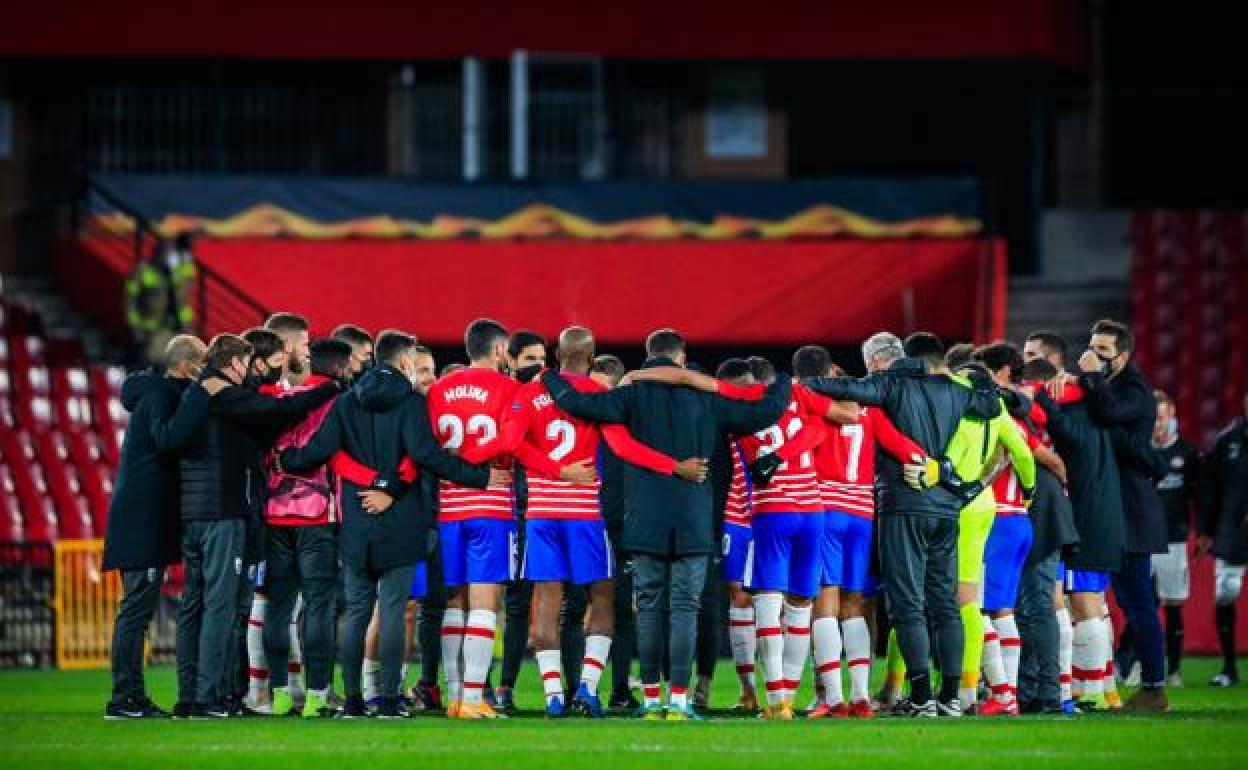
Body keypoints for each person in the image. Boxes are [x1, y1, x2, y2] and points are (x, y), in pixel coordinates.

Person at [541, 328, 792, 720]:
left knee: (651, 609)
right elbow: (764, 412)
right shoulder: (707, 399)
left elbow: (575, 403)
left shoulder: (630, 395)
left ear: (647, 356)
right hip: (694, 520)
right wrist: (785, 383)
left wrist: (547, 375)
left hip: (644, 523)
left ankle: (653, 698)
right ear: (681, 357)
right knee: (685, 609)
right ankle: (678, 699)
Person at [468, 326, 702, 718]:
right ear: (591, 357)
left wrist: (553, 470)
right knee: (604, 597)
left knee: (546, 603)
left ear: (556, 355)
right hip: (585, 516)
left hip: (542, 513)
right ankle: (589, 689)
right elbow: (625, 448)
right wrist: (674, 466)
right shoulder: (597, 395)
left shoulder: (529, 392)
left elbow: (509, 444)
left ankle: (553, 696)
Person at [280, 331, 505, 718]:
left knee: (355, 614)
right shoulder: (411, 403)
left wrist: (286, 460)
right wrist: (480, 477)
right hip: (402, 519)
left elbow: (319, 451)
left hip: (357, 521)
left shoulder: (346, 402)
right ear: (404, 363)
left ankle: (352, 700)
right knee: (393, 609)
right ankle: (387, 699)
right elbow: (425, 455)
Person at [802, 331, 1002, 717]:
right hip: (946, 508)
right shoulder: (956, 390)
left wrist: (802, 383)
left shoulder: (891, 385)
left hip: (905, 504)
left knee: (907, 603)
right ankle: (951, 697)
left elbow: (845, 388)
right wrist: (982, 380)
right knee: (945, 603)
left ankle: (923, 695)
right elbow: (993, 407)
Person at [174, 333, 339, 719]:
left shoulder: (203, 394)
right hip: (223, 510)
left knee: (195, 603)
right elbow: (270, 409)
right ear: (234, 363)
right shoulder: (223, 395)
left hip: (194, 510)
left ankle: (193, 695)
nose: (250, 372)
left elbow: (266, 418)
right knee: (221, 603)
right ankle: (209, 696)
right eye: (247, 364)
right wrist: (328, 389)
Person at [103, 335, 211, 719]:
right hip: (141, 518)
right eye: (203, 363)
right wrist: (201, 394)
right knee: (135, 611)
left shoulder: (158, 392)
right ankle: (124, 697)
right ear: (187, 364)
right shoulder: (157, 396)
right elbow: (167, 438)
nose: (207, 370)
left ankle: (129, 695)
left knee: (136, 611)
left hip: (144, 516)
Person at [1065, 319, 1169, 711]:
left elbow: (1108, 415)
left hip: (1131, 510)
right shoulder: (1112, 386)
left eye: (1103, 351)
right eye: (1092, 347)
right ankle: (1108, 681)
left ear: (1122, 356)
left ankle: (1154, 686)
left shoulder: (1136, 390)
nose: (1094, 356)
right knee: (1113, 600)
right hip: (1115, 506)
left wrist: (1090, 378)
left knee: (1138, 602)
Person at [425, 319, 524, 719]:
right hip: (490, 504)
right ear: (500, 351)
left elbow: (427, 446)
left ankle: (454, 695)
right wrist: (478, 462)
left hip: (448, 506)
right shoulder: (509, 389)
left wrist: (457, 463)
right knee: (485, 602)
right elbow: (514, 441)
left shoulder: (437, 391)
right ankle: (472, 697)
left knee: (453, 600)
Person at [261, 338, 355, 718]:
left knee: (278, 608)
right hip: (317, 515)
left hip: (274, 512)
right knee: (319, 606)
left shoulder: (276, 399)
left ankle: (280, 693)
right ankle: (316, 697)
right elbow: (333, 451)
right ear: (339, 367)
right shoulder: (339, 401)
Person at [1031, 360, 1128, 712]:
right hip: (1101, 519)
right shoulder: (1097, 416)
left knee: (1081, 603)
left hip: (1081, 520)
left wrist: (1042, 399)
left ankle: (1084, 691)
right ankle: (1102, 687)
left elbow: (1065, 440)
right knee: (1094, 606)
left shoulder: (1074, 415)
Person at [1148, 390, 1202, 687]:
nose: (1158, 425)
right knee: (1141, 604)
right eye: (1154, 419)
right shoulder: (1142, 450)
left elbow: (1199, 494)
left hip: (1174, 539)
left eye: (1163, 418)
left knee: (1172, 605)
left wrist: (1202, 530)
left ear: (1173, 418)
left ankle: (1174, 670)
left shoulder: (1188, 453)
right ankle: (1134, 666)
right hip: (1143, 539)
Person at [1200, 391, 1248, 687]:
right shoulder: (1227, 440)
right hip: (1231, 532)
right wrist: (1205, 529)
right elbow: (1207, 489)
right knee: (1226, 595)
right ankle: (1229, 667)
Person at [266, 312, 311, 387]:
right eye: (305, 345)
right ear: (287, 346)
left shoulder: (284, 385)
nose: (308, 353)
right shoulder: (260, 392)